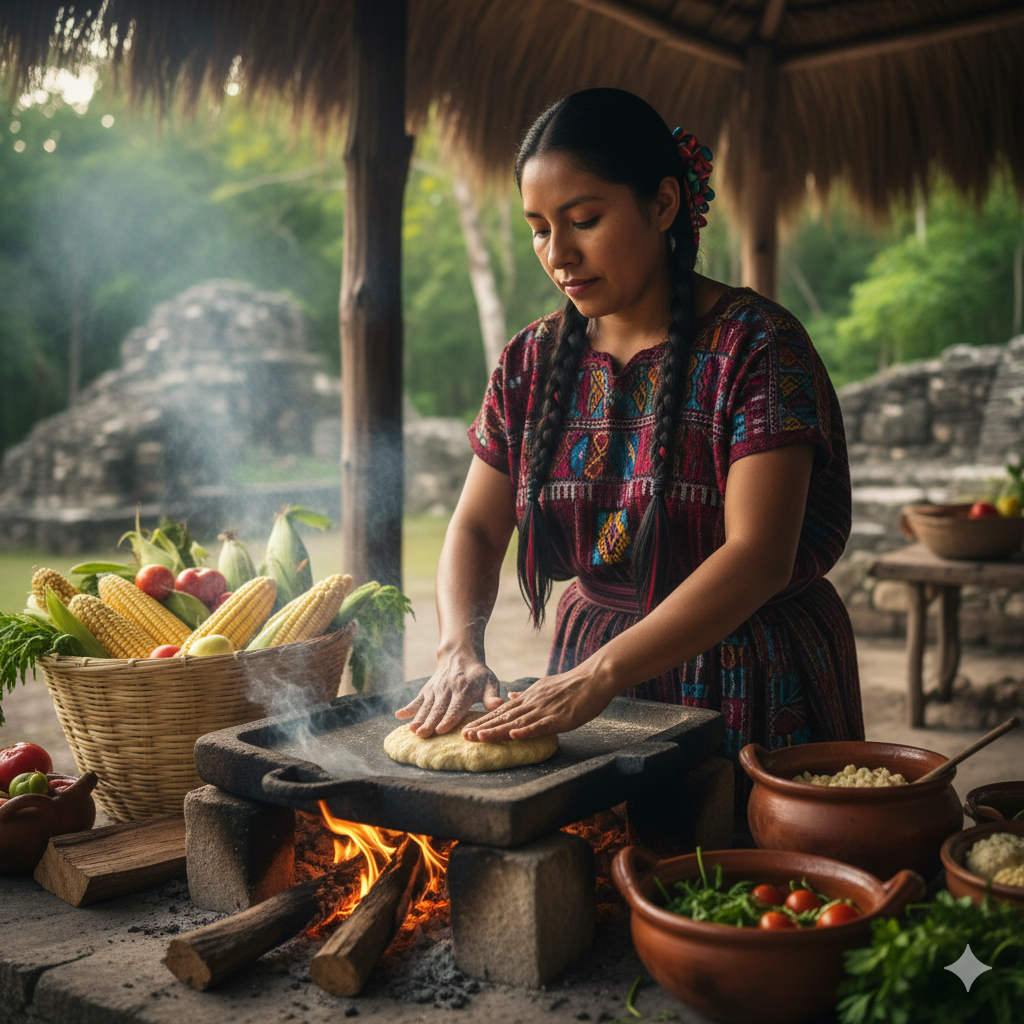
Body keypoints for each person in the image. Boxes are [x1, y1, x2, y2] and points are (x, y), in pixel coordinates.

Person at [396, 88, 864, 802]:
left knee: (746, 888)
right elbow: (477, 525)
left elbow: (758, 556)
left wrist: (599, 675)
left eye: (584, 220)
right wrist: (458, 647)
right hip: (590, 668)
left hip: (753, 673)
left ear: (665, 204)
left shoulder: (758, 346)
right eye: (539, 228)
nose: (559, 254)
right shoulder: (531, 361)